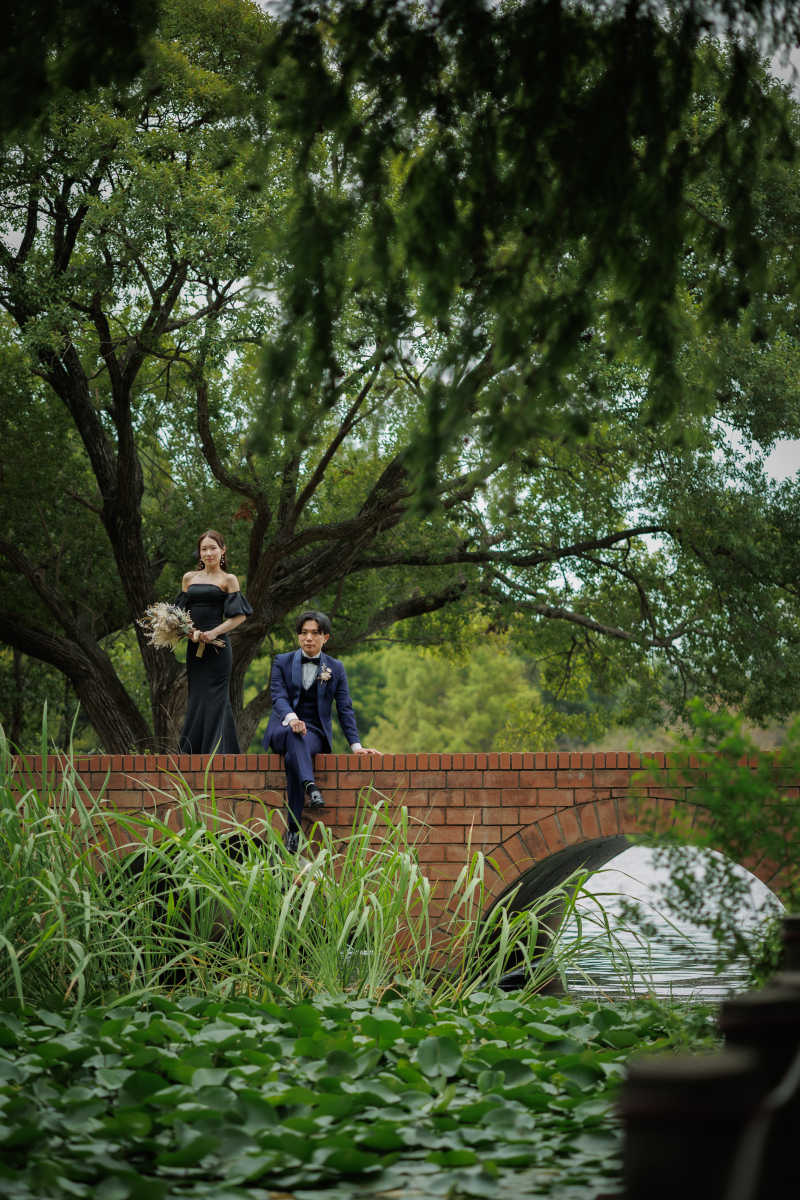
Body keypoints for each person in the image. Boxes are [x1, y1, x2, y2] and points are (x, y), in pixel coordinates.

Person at [263, 610, 379, 852]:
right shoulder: (282, 661)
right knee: (294, 736)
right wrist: (292, 718)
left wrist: (356, 746)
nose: (308, 638)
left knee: (294, 755)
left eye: (315, 633)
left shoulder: (335, 668)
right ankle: (311, 788)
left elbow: (345, 709)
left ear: (325, 637)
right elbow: (278, 696)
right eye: (304, 632)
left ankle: (293, 832)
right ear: (298, 636)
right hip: (283, 729)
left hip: (314, 734)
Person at [174, 530, 252, 754]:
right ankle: (196, 753)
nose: (208, 553)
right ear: (199, 553)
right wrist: (186, 631)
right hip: (194, 649)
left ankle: (213, 755)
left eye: (213, 548)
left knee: (217, 698)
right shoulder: (189, 578)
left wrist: (214, 632)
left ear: (223, 551)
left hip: (218, 650)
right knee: (197, 697)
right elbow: (178, 614)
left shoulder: (228, 579)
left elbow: (240, 616)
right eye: (204, 549)